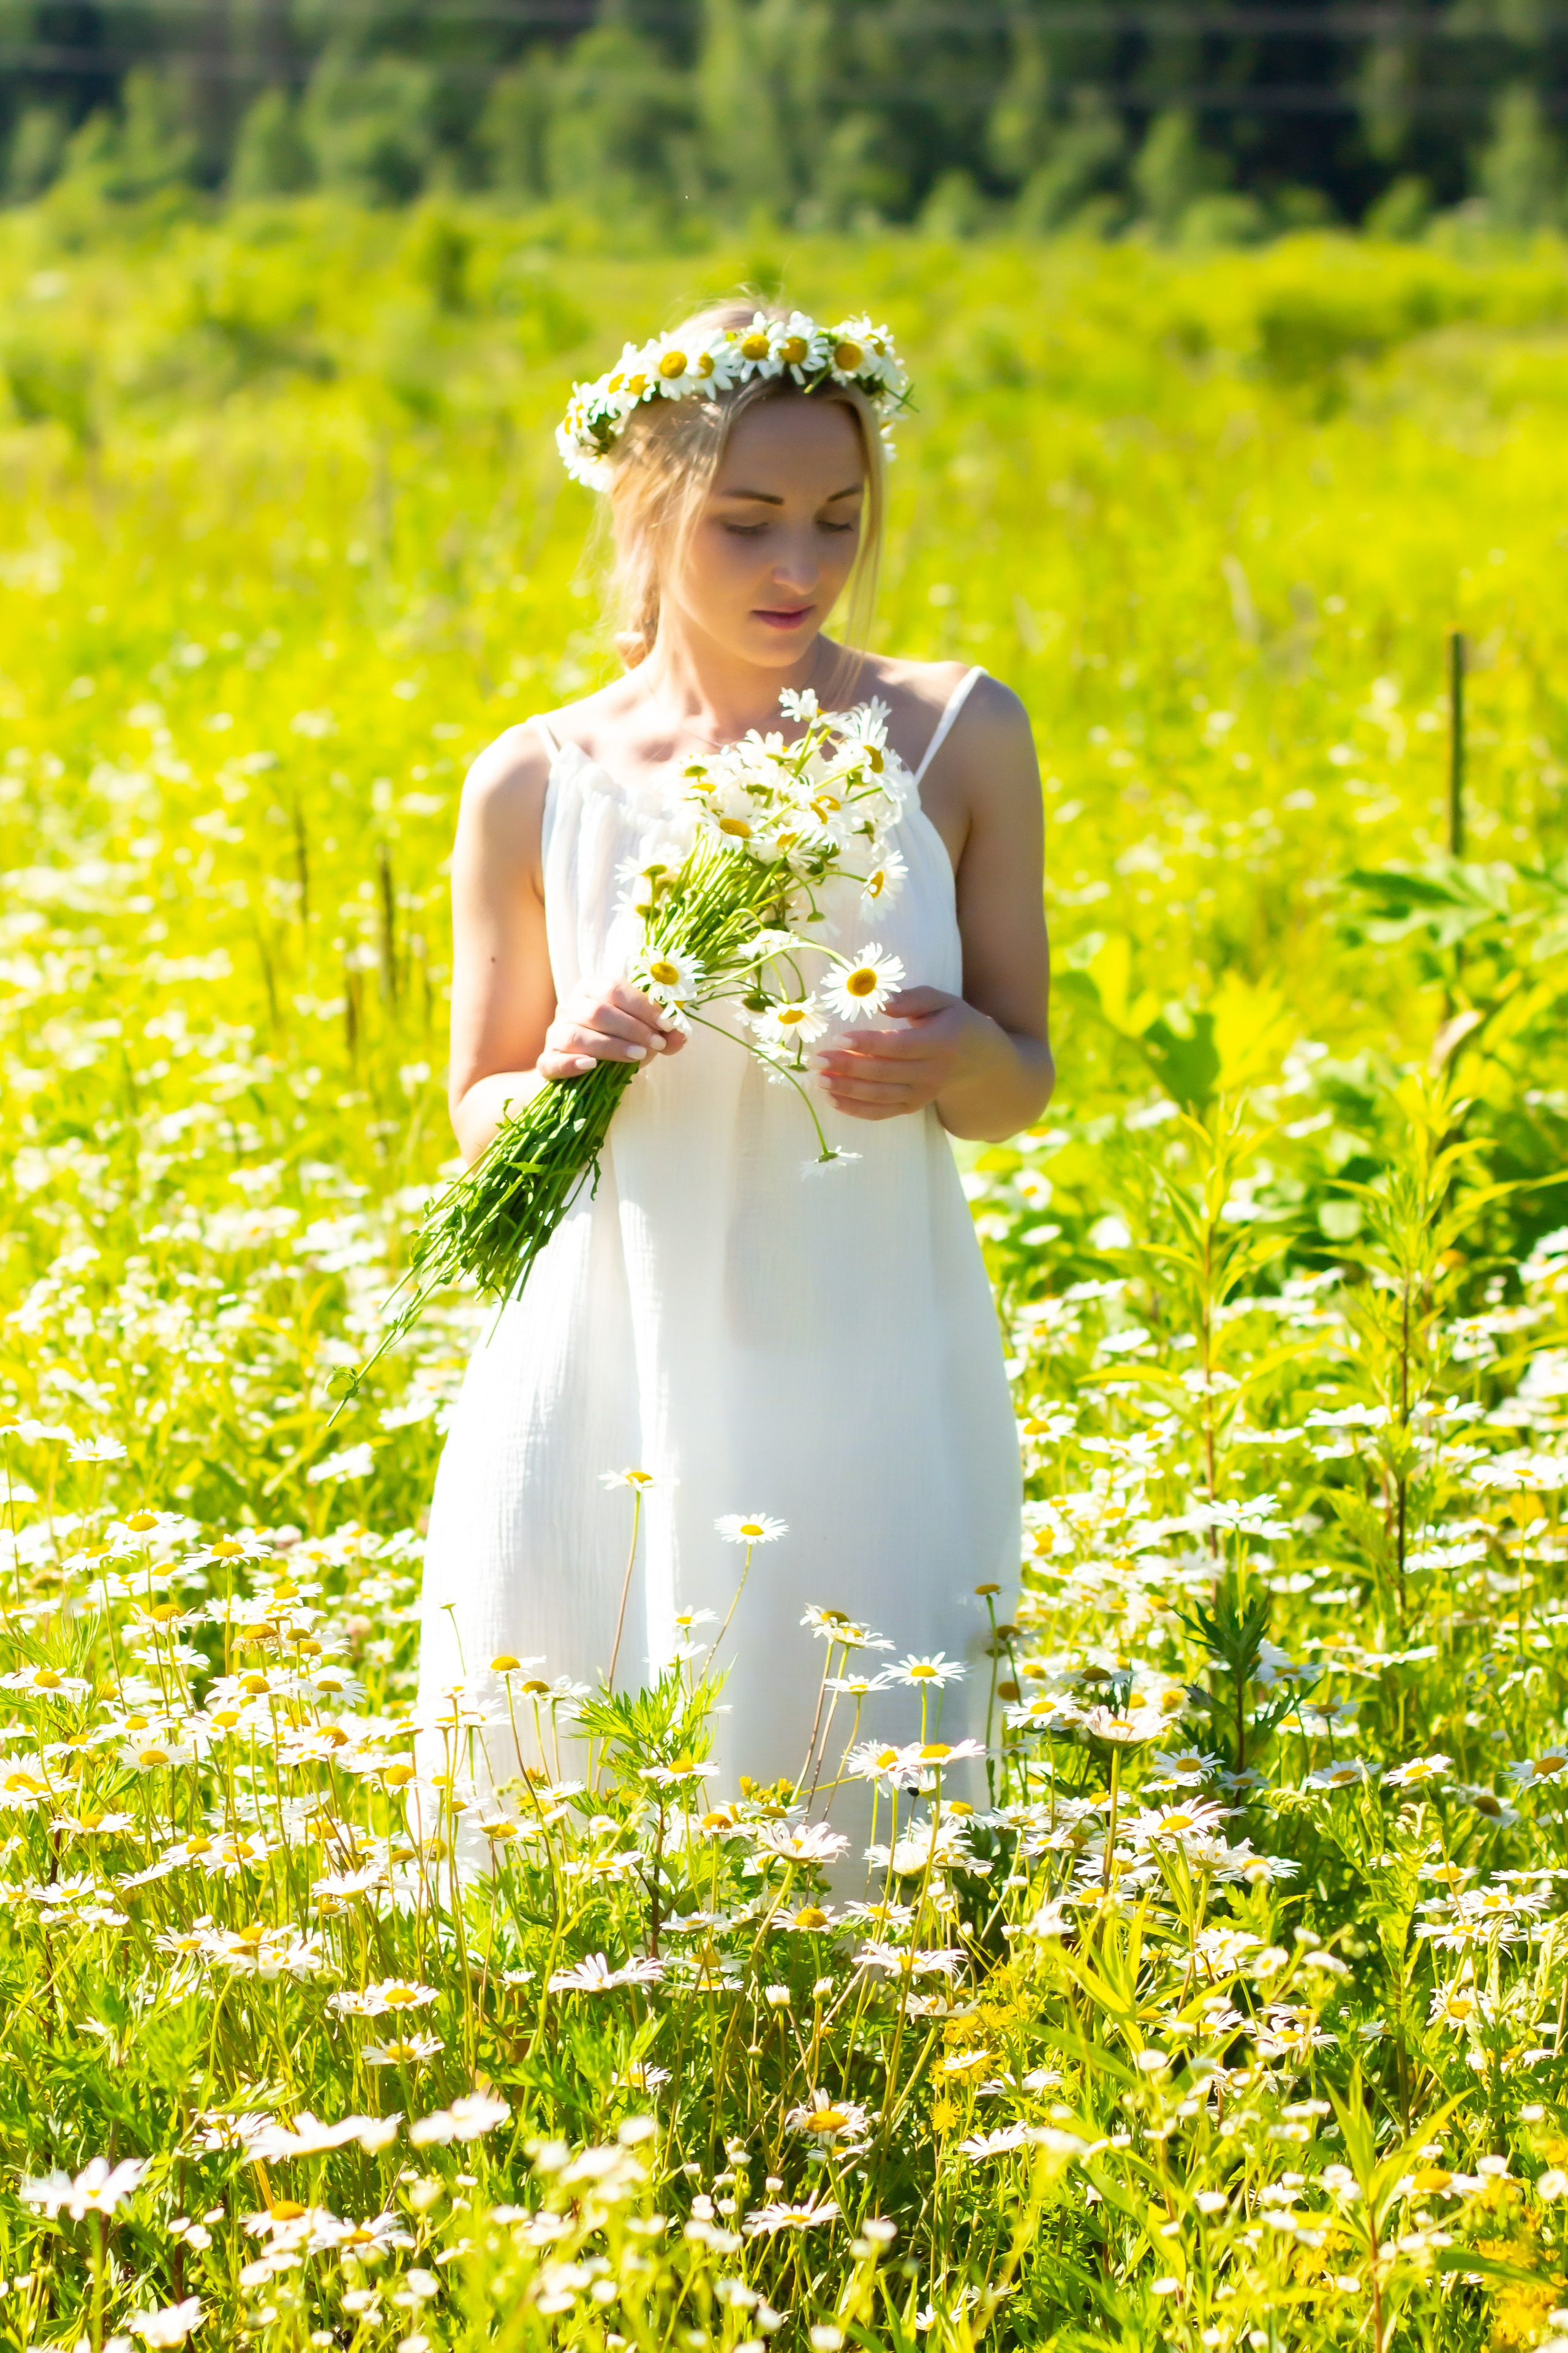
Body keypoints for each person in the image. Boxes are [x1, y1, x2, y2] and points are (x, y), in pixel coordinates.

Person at [415, 298, 1052, 1808]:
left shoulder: (951, 733)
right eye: (744, 523)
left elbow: (1019, 1084)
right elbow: (477, 1106)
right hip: (608, 1345)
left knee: (860, 1738)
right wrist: (561, 1068)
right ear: (644, 509)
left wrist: (954, 1047)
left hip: (864, 1340)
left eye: (837, 522)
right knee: (581, 1734)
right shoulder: (535, 780)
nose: (800, 568)